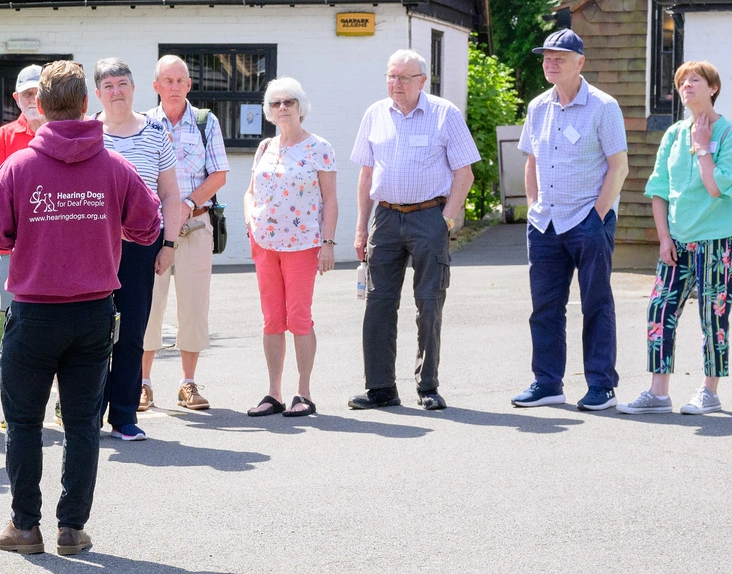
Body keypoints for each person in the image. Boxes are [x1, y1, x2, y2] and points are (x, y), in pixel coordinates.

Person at [0, 61, 161, 557]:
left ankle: (25, 526)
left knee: (25, 423)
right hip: (94, 311)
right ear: (85, 104)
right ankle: (72, 528)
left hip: (34, 310)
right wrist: (108, 229)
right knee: (81, 424)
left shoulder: (18, 167)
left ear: (40, 106)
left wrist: (29, 234)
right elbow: (149, 225)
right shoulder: (115, 166)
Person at [347, 49, 480, 412]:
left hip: (428, 218)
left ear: (423, 80)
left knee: (429, 303)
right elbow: (366, 175)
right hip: (386, 219)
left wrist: (446, 220)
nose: (397, 84)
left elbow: (464, 174)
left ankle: (428, 386)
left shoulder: (444, 114)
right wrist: (361, 228)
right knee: (378, 304)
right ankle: (380, 388)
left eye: (405, 77)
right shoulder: (375, 114)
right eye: (392, 76)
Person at [622, 61, 732, 416]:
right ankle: (658, 394)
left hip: (718, 239)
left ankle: (709, 390)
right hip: (676, 241)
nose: (687, 86)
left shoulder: (731, 135)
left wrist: (703, 146)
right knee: (660, 310)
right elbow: (659, 189)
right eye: (681, 82)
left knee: (713, 316)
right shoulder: (674, 134)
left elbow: (716, 187)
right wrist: (664, 238)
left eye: (695, 80)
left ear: (713, 88)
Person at [513, 29, 629, 411]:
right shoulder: (537, 107)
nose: (550, 63)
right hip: (545, 222)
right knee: (544, 307)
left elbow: (619, 166)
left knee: (596, 303)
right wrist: (533, 206)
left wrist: (597, 216)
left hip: (587, 221)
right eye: (546, 57)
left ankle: (601, 386)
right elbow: (531, 160)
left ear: (580, 63)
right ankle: (547, 383)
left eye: (559, 58)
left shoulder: (603, 106)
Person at [92, 58, 187, 439]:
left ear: (135, 88)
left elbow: (170, 193)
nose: (117, 91)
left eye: (123, 84)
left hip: (141, 248)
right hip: (94, 250)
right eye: (109, 85)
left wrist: (169, 244)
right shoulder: (88, 134)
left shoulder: (154, 133)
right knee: (93, 334)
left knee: (132, 332)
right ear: (97, 93)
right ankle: (87, 413)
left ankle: (124, 416)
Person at [241, 79, 338, 417]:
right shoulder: (265, 146)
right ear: (268, 111)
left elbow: (330, 200)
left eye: (289, 102)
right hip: (265, 244)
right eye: (275, 103)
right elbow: (250, 192)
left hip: (302, 245)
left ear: (301, 107)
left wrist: (327, 243)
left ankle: (304, 393)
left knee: (299, 318)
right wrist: (250, 220)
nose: (282, 108)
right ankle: (273, 393)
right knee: (272, 320)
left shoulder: (319, 147)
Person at [139, 54, 229, 412]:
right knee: (148, 306)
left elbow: (219, 174)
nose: (174, 87)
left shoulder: (206, 123)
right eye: (168, 81)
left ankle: (187, 383)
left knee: (193, 307)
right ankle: (142, 383)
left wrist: (189, 203)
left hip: (194, 225)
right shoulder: (143, 124)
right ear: (156, 86)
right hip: (153, 230)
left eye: (181, 81)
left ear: (189, 85)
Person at [0, 63, 46, 312]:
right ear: (16, 99)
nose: (33, 100)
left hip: (51, 242)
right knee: (14, 319)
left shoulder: (61, 132)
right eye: (27, 94)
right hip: (15, 247)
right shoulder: (3, 136)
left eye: (38, 93)